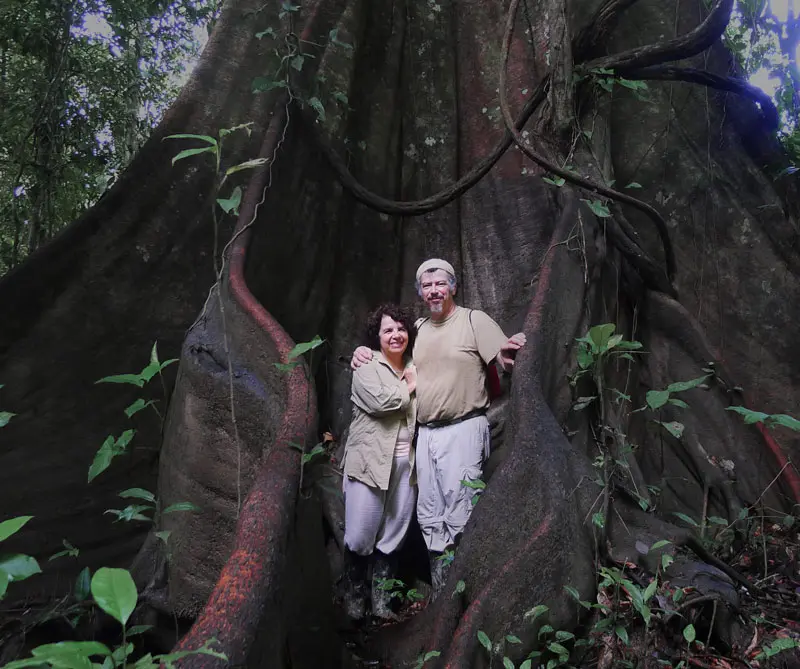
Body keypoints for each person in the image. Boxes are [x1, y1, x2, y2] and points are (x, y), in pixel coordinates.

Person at [351, 259, 526, 600]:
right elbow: (392, 354)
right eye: (427, 286)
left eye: (440, 284)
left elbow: (504, 357)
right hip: (425, 435)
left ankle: (468, 595)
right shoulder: (417, 328)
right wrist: (364, 352)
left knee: (461, 510)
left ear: (453, 287)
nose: (434, 290)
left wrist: (512, 351)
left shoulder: (473, 320)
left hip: (464, 427)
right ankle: (442, 595)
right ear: (420, 293)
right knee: (430, 513)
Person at [341, 303, 419, 621]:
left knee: (394, 534)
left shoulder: (416, 363)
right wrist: (411, 385)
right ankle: (354, 598)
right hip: (369, 463)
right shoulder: (365, 365)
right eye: (388, 330)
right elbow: (381, 402)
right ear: (377, 336)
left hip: (407, 465)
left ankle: (381, 603)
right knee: (360, 536)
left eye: (401, 328)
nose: (396, 334)